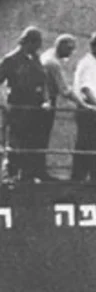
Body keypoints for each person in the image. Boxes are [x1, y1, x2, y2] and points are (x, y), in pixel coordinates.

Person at [0, 26, 48, 182]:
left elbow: (43, 80)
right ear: (28, 42)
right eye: (36, 44)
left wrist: (45, 100)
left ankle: (27, 175)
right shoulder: (10, 60)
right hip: (18, 107)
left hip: (34, 108)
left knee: (31, 142)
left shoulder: (35, 59)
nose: (37, 48)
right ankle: (11, 175)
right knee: (16, 142)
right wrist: (3, 102)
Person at [37, 34, 83, 181]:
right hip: (46, 102)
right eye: (69, 48)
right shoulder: (53, 63)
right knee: (42, 137)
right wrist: (83, 104)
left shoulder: (47, 56)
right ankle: (38, 172)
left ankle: (37, 171)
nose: (71, 52)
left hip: (43, 100)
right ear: (60, 45)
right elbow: (65, 90)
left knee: (40, 138)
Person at [70, 32, 96, 184]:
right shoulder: (88, 63)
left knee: (89, 145)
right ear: (94, 46)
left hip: (91, 107)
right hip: (88, 109)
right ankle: (84, 179)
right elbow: (86, 88)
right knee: (88, 145)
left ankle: (86, 178)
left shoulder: (93, 63)